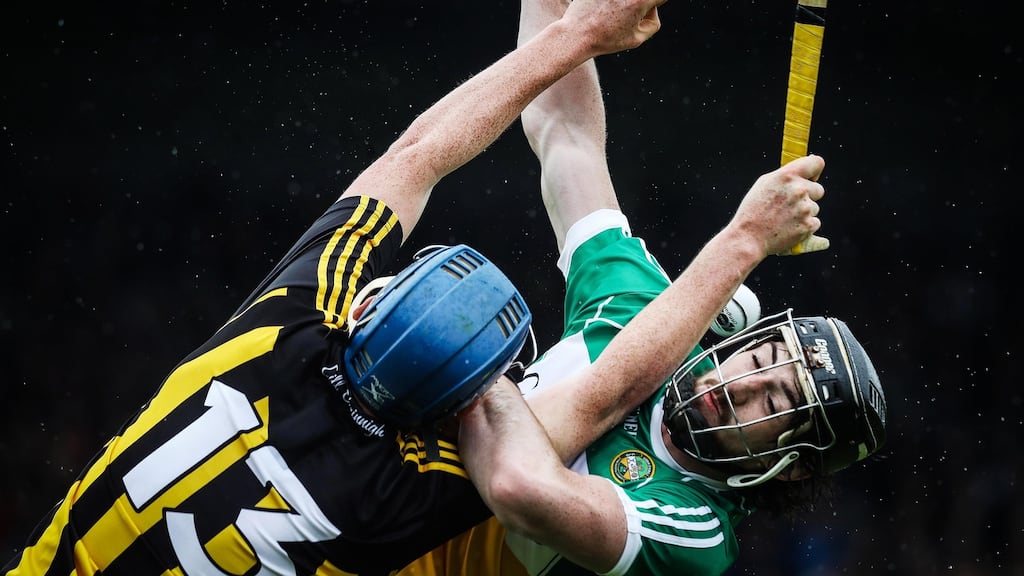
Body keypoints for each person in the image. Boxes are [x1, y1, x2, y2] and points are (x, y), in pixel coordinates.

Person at [3, 2, 677, 574]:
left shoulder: (275, 336)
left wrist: (579, 31)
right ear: (461, 409)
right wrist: (741, 248)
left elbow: (416, 156)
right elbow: (596, 401)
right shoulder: (405, 495)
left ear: (360, 307)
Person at [398, 0, 888, 574]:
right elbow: (566, 136)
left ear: (794, 464)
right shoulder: (648, 310)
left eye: (775, 400)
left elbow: (519, 491)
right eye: (764, 355)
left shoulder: (696, 531)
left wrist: (473, 363)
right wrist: (570, 22)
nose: (743, 382)